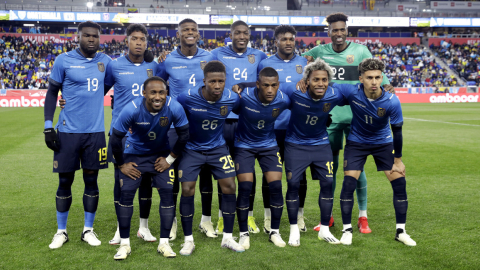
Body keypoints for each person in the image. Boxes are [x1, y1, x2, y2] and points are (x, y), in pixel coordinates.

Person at [301, 12, 393, 233]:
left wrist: (387, 91)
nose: (339, 33)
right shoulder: (319, 52)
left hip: (358, 120)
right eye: (335, 30)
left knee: (356, 170)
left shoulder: (360, 51)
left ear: (347, 30)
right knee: (329, 171)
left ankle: (362, 217)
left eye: (342, 29)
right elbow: (299, 62)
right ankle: (329, 217)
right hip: (330, 119)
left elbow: (381, 78)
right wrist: (301, 77)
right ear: (329, 32)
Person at [43, 21, 112, 249]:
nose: (91, 39)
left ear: (99, 38)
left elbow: (122, 75)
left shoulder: (106, 62)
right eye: (87, 36)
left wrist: (152, 59)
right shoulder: (64, 60)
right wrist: (47, 126)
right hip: (68, 132)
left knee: (91, 181)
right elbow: (52, 93)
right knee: (65, 181)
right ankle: (61, 232)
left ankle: (88, 230)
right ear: (78, 37)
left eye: (95, 36)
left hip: (94, 133)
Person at [334, 58, 416, 246]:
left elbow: (398, 132)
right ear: (361, 78)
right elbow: (328, 85)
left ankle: (401, 231)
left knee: (400, 183)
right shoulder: (352, 91)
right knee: (348, 184)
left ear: (382, 78)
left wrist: (398, 160)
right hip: (356, 142)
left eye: (378, 77)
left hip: (383, 143)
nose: (374, 82)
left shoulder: (391, 100)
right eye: (369, 77)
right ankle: (347, 230)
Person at [110, 76, 189, 260]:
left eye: (161, 92)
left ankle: (164, 243)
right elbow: (115, 139)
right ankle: (124, 244)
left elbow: (184, 135)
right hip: (134, 155)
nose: (158, 96)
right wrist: (122, 165)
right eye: (153, 92)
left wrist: (169, 159)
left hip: (160, 156)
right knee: (127, 194)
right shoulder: (132, 109)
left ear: (166, 93)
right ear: (144, 93)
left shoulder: (174, 106)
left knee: (168, 193)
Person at [176, 61, 244, 255]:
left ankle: (228, 238)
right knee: (187, 188)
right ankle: (188, 240)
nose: (217, 86)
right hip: (192, 149)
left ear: (225, 81)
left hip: (218, 148)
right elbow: (171, 112)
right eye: (212, 81)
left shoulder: (231, 98)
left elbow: (241, 109)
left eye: (221, 81)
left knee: (230, 186)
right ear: (204, 81)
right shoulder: (186, 97)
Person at [156, 18, 216, 240]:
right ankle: (171, 222)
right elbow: (157, 88)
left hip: (204, 126)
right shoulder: (167, 60)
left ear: (199, 34)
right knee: (172, 176)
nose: (190, 33)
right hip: (174, 127)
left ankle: (206, 221)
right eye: (185, 30)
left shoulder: (210, 57)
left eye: (193, 30)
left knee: (206, 176)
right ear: (178, 34)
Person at [211, 20, 267, 234]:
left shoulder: (259, 56)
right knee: (224, 171)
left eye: (245, 33)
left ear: (249, 35)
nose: (241, 36)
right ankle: (221, 218)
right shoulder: (216, 54)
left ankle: (250, 216)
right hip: (223, 120)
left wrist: (244, 86)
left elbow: (268, 79)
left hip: (248, 120)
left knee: (247, 172)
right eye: (237, 33)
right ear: (231, 34)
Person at [104, 23, 158, 245]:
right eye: (134, 38)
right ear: (126, 41)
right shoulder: (114, 66)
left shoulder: (154, 66)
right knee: (121, 181)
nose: (139, 43)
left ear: (146, 43)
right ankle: (120, 227)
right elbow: (98, 91)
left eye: (142, 39)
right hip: (122, 134)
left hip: (149, 133)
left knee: (146, 181)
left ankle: (143, 227)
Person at [283, 58, 345, 246]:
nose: (320, 83)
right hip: (295, 145)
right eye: (315, 79)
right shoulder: (293, 91)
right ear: (307, 80)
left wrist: (386, 87)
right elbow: (267, 88)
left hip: (321, 145)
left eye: (324, 80)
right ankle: (294, 229)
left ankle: (324, 229)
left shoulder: (334, 93)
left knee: (328, 183)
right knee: (293, 184)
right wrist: (242, 85)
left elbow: (358, 89)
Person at [256, 25, 308, 234]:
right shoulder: (265, 63)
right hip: (271, 128)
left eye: (291, 38)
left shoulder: (305, 63)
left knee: (299, 176)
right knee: (270, 175)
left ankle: (300, 216)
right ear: (275, 41)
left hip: (297, 129)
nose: (288, 42)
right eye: (284, 38)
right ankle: (268, 217)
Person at [233, 67, 290, 249]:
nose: (270, 90)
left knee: (275, 186)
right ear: (258, 85)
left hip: (269, 145)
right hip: (244, 146)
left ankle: (274, 231)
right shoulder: (244, 97)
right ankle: (243, 234)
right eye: (265, 85)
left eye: (274, 85)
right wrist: (240, 85)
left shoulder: (283, 99)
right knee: (245, 187)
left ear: (278, 85)